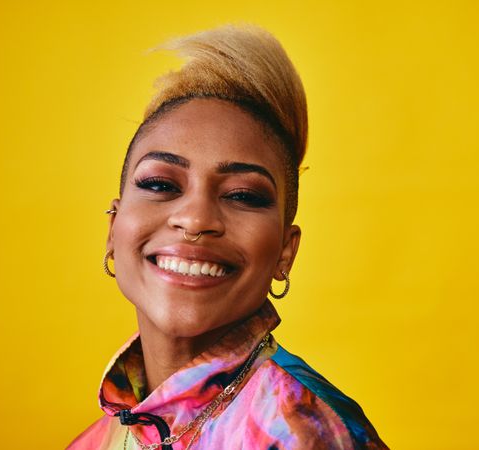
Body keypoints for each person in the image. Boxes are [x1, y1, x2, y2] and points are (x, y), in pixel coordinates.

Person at [68, 24, 387, 450]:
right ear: (113, 228)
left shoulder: (307, 432)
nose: (196, 219)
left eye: (243, 195)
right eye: (161, 184)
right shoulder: (98, 439)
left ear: (285, 253)